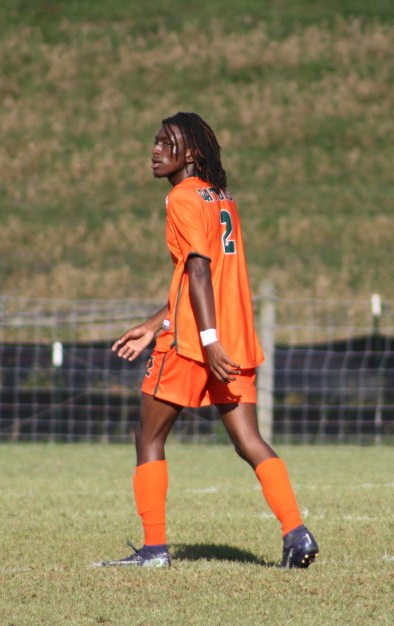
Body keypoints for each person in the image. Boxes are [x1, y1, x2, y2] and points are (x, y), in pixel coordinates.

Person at [95, 112, 318, 569]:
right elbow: (199, 278)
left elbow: (199, 270)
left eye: (167, 142)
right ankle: (297, 533)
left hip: (195, 342)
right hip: (234, 336)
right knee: (249, 440)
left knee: (148, 436)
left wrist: (207, 340)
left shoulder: (181, 197)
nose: (156, 150)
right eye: (155, 141)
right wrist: (154, 323)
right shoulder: (222, 197)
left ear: (192, 152)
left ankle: (154, 550)